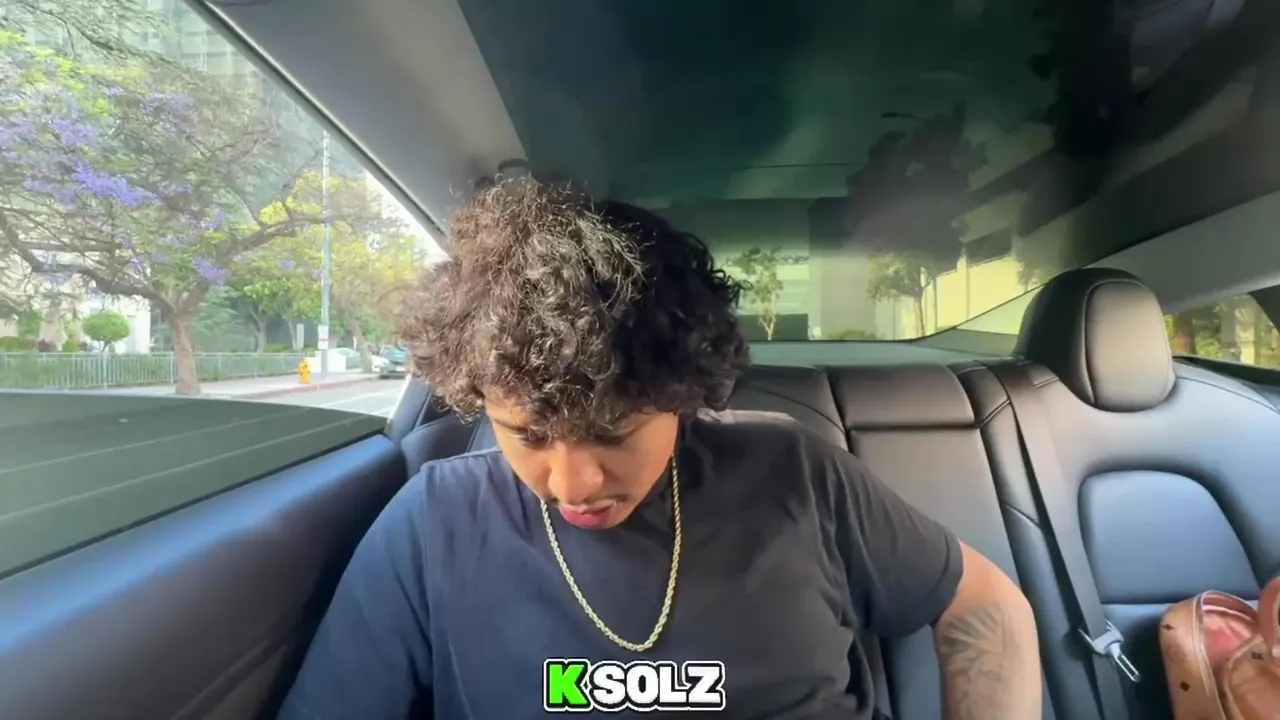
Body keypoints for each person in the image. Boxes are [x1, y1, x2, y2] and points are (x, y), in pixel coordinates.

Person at [278, 179, 1042, 719]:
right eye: (529, 436)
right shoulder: (434, 521)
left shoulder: (795, 473)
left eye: (613, 432)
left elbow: (983, 599)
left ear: (682, 395)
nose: (572, 483)